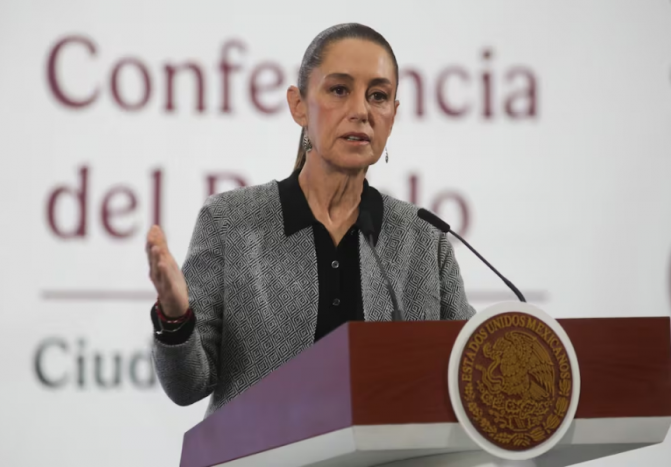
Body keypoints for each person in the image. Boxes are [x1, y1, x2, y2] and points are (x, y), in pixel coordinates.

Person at [145, 23, 476, 418]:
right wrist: (175, 316)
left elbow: (471, 372)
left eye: (378, 96)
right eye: (339, 90)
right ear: (298, 105)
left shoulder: (424, 239)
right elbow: (187, 386)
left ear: (393, 115)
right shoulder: (231, 222)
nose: (361, 111)